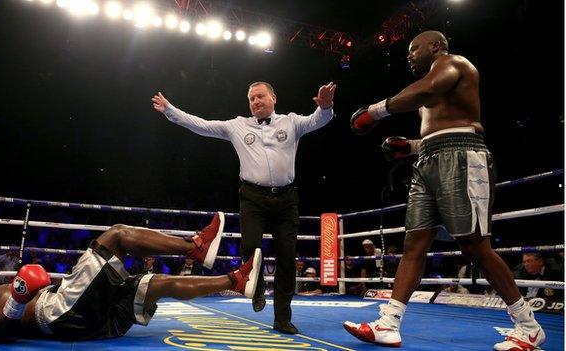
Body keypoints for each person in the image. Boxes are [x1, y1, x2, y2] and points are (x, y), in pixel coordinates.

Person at [344, 30, 546, 350]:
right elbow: (436, 131)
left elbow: (431, 88)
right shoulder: (425, 98)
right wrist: (408, 147)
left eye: (414, 49)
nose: (409, 55)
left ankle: (528, 325)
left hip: (463, 155)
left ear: (436, 46)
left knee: (475, 246)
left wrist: (376, 110)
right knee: (414, 241)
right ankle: (388, 324)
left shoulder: (454, 64)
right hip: (428, 161)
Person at [152, 81, 336, 334]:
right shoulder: (237, 125)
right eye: (251, 99)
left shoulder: (291, 122)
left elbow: (317, 121)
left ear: (274, 98)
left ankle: (282, 318)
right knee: (250, 246)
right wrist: (170, 110)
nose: (256, 102)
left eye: (260, 96)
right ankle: (256, 286)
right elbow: (202, 125)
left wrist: (326, 107)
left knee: (286, 259)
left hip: (286, 199)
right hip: (252, 197)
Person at [0, 212, 262, 342]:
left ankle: (235, 281)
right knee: (116, 235)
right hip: (58, 317)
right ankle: (195, 248)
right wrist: (17, 299)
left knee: (154, 284)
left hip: (86, 322)